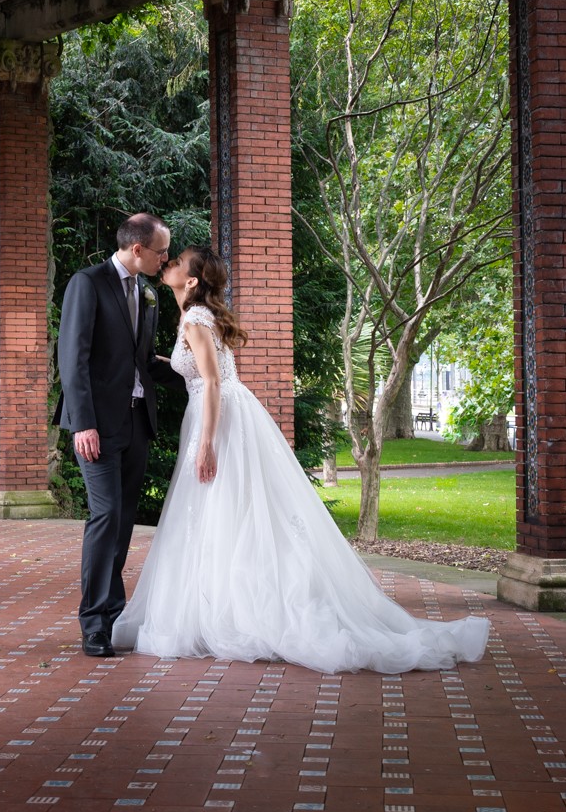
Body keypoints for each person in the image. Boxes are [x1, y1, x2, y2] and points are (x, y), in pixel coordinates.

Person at [113, 246, 488, 673]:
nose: (169, 265)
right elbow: (199, 372)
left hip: (217, 420)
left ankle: (231, 610)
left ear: (192, 281)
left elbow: (213, 382)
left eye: (177, 262)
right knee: (230, 509)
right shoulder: (196, 318)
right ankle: (224, 601)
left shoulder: (196, 319)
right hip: (227, 413)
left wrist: (206, 444)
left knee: (222, 505)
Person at [57, 213, 180, 658]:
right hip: (97, 427)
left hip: (136, 423)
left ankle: (113, 615)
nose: (166, 258)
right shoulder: (87, 284)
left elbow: (144, 360)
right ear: (137, 249)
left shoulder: (148, 294)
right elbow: (73, 359)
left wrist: (203, 379)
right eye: (161, 251)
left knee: (124, 523)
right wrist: (83, 423)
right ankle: (93, 622)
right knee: (105, 518)